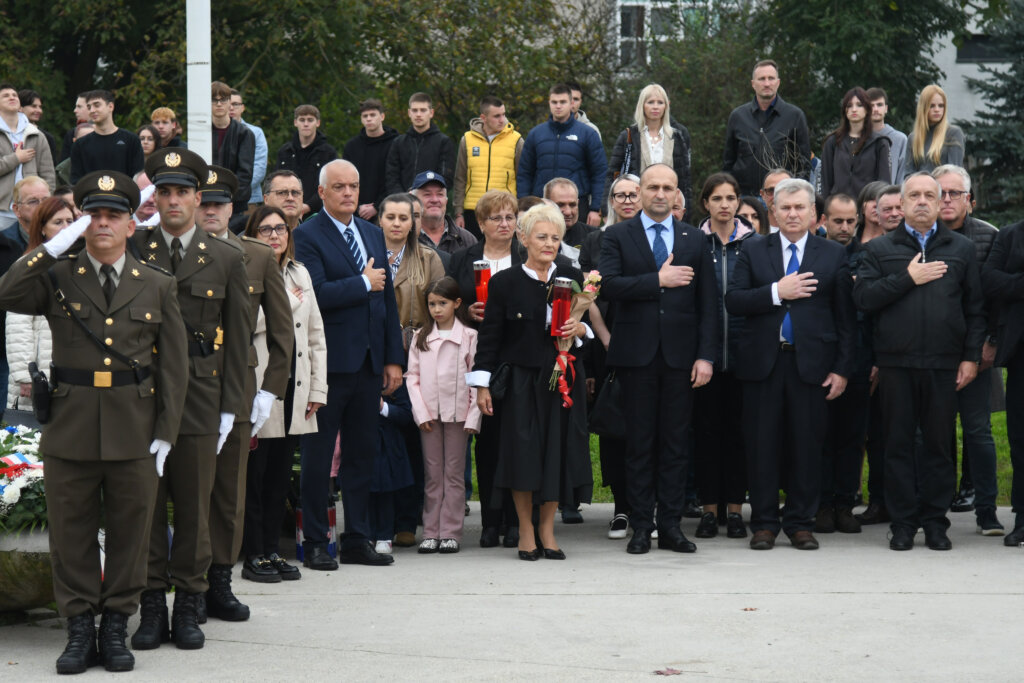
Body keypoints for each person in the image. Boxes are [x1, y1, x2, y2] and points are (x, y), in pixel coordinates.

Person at [0, 171, 187, 673]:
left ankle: (115, 625)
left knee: (131, 533)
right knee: (71, 534)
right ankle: (79, 626)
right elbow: (8, 292)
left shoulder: (157, 284)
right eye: (93, 215)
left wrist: (167, 431)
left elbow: (173, 367)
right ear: (82, 224)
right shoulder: (57, 276)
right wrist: (50, 247)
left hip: (135, 427)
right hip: (71, 425)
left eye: (113, 215)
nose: (103, 223)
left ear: (131, 224)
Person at [130, 148, 250, 651]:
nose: (174, 200)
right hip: (144, 393)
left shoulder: (225, 257)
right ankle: (152, 605)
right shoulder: (133, 248)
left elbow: (240, 340)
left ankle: (189, 605)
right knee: (147, 506)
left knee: (197, 506)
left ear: (199, 198)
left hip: (202, 392)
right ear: (154, 198)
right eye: (165, 191)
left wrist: (233, 407)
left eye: (182, 192)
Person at [853, 172, 985, 551]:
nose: (923, 201)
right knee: (896, 444)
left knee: (940, 446)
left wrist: (970, 358)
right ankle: (903, 524)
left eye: (931, 194)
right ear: (903, 203)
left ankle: (935, 522)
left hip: (945, 365)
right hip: (897, 364)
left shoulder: (959, 248)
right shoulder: (879, 250)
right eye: (915, 195)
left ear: (942, 200)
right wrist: (907, 278)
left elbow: (975, 310)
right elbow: (863, 299)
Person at [725, 178, 856, 551]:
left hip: (812, 366)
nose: (793, 214)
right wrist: (775, 292)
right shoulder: (753, 250)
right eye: (786, 208)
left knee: (807, 446)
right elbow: (734, 300)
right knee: (761, 445)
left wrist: (843, 369)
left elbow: (846, 320)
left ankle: (800, 522)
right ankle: (764, 524)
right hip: (762, 366)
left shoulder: (832, 255)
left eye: (801, 207)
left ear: (815, 214)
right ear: (773, 213)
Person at [599, 163, 718, 555]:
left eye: (668, 187)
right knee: (639, 443)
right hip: (636, 357)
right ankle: (640, 526)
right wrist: (657, 281)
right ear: (641, 191)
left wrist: (705, 356)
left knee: (675, 444)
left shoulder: (694, 240)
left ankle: (670, 526)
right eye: (653, 187)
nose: (660, 194)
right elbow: (611, 287)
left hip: (682, 359)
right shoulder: (617, 235)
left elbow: (708, 306)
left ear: (677, 194)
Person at [292, 159, 405, 569]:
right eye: (339, 187)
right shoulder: (306, 236)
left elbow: (387, 301)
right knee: (319, 457)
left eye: (354, 186)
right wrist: (361, 283)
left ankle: (357, 537)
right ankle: (318, 542)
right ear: (321, 192)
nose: (348, 193)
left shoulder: (373, 233)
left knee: (361, 454)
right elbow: (314, 293)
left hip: (370, 362)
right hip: (329, 365)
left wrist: (394, 358)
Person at [468, 203, 594, 560]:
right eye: (541, 236)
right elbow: (489, 338)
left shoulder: (571, 276)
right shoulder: (505, 282)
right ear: (523, 238)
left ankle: (548, 531)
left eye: (555, 237)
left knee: (555, 456)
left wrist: (580, 330)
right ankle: (525, 530)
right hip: (521, 384)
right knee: (522, 458)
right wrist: (481, 385)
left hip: (560, 383)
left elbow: (584, 336)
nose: (549, 243)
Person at [195, 166, 294, 618]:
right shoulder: (167, 253)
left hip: (238, 389)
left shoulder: (256, 255)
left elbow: (282, 333)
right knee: (186, 490)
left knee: (229, 494)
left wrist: (270, 393)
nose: (211, 209)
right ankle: (188, 586)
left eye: (219, 202)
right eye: (204, 201)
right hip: (187, 388)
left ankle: (219, 581)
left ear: (233, 208)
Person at [447, 189, 551, 547]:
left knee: (519, 442)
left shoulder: (526, 256)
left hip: (519, 360)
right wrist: (466, 311)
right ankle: (490, 520)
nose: (504, 224)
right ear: (481, 224)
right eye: (497, 218)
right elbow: (446, 298)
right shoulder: (462, 258)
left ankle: (515, 521)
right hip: (478, 354)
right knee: (489, 441)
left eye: (510, 218)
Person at [242, 205, 326, 582]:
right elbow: (243, 322)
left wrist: (318, 388)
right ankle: (252, 553)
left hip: (297, 385)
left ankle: (273, 551)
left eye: (281, 229)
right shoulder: (242, 270)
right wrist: (284, 298)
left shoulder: (300, 272)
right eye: (266, 230)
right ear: (251, 235)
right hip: (259, 384)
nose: (275, 236)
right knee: (254, 478)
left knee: (279, 476)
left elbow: (316, 335)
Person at [931, 165, 1002, 534]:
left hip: (978, 354)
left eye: (953, 193)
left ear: (969, 201)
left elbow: (997, 301)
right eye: (939, 192)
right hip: (931, 357)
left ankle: (986, 511)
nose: (945, 200)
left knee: (978, 432)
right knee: (930, 434)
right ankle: (931, 509)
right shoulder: (921, 239)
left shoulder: (991, 238)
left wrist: (988, 347)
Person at [693, 172, 755, 540]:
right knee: (706, 434)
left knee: (739, 435)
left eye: (731, 198)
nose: (724, 205)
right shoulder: (693, 243)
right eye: (717, 198)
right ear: (706, 203)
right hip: (706, 357)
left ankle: (734, 509)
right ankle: (708, 509)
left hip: (745, 356)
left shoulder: (754, 244)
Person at [578, 174, 640, 538]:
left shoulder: (655, 239)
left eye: (634, 194)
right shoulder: (596, 241)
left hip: (650, 345)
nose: (628, 200)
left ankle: (647, 503)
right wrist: (606, 341)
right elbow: (589, 296)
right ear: (611, 201)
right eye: (621, 195)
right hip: (608, 347)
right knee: (614, 429)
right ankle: (621, 508)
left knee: (647, 428)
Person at [407, 276, 482, 553]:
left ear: (457, 303)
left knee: (453, 473)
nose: (437, 309)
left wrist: (474, 417)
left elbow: (476, 379)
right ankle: (431, 531)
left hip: (458, 416)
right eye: (432, 304)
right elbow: (412, 377)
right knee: (432, 474)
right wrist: (420, 412)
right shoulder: (421, 337)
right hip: (429, 416)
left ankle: (450, 531)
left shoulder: (469, 337)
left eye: (443, 303)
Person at [817, 193, 868, 535]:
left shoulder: (868, 257)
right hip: (819, 359)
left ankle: (845, 503)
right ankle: (820, 504)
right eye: (838, 221)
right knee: (819, 436)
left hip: (860, 360)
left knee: (852, 436)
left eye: (851, 221)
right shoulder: (814, 254)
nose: (845, 228)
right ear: (823, 220)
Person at [5, 197, 72, 410]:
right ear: (42, 228)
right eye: (58, 222)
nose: (66, 228)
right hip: (37, 370)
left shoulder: (79, 264)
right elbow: (18, 327)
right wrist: (25, 375)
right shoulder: (28, 266)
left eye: (70, 221)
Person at [981, 214, 1024, 546]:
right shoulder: (1010, 235)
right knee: (1021, 440)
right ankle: (1022, 520)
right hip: (1020, 354)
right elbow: (990, 280)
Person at [518, 84, 607, 227]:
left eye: (563, 102)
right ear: (549, 103)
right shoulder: (536, 134)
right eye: (554, 102)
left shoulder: (588, 134)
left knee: (577, 247)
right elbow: (525, 173)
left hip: (576, 206)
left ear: (571, 103)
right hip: (541, 205)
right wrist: (523, 207)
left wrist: (596, 209)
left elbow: (599, 173)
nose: (558, 106)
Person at [603, 84, 693, 222]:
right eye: (650, 102)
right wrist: (605, 207)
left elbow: (685, 179)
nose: (655, 107)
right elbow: (613, 173)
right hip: (636, 204)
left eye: (660, 102)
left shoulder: (677, 137)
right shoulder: (628, 136)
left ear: (666, 107)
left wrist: (687, 210)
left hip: (668, 204)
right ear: (642, 105)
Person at [722, 60, 811, 196]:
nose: (767, 83)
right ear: (753, 84)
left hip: (782, 197)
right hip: (745, 199)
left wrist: (796, 195)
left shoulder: (795, 116)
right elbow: (728, 163)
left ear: (778, 82)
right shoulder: (738, 117)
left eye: (771, 78)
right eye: (762, 79)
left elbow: (804, 164)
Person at [378, 193, 445, 347]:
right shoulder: (365, 255)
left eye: (403, 218)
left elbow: (442, 308)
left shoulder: (429, 258)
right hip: (373, 346)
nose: (396, 223)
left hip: (416, 347)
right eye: (390, 217)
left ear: (411, 223)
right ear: (380, 220)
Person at [453, 96, 524, 239]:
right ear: (483, 118)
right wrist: (458, 212)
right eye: (497, 116)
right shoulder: (467, 139)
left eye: (504, 114)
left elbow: (522, 178)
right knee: (474, 255)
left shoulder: (516, 140)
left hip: (504, 211)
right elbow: (460, 178)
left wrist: (520, 211)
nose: (502, 120)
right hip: (473, 210)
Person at [819, 87, 891, 200]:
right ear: (845, 110)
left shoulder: (880, 143)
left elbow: (883, 185)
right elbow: (825, 183)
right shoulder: (832, 142)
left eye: (859, 105)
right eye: (849, 105)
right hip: (837, 208)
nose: (854, 109)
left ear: (867, 109)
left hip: (868, 209)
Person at [1, 84, 55, 227]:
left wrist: (47, 205)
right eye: (5, 96)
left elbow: (48, 174)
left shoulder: (37, 135)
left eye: (14, 95)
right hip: (2, 210)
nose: (12, 97)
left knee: (34, 249)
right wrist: (16, 159)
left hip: (33, 210)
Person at [385, 93, 456, 195]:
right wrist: (402, 196)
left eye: (423, 110)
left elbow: (446, 177)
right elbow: (391, 176)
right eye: (414, 110)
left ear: (431, 113)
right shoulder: (398, 143)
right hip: (403, 202)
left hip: (431, 201)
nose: (418, 114)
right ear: (409, 113)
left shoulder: (443, 142)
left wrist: (423, 193)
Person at [275, 104, 338, 217]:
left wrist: (308, 206)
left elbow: (331, 186)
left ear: (317, 123)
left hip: (318, 213)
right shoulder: (285, 152)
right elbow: (277, 183)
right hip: (287, 211)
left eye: (310, 120)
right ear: (295, 122)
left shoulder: (328, 153)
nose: (306, 124)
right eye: (302, 120)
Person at [69, 90, 144, 184]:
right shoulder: (80, 145)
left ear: (110, 106)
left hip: (124, 196)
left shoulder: (131, 140)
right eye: (89, 107)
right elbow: (76, 181)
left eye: (97, 105)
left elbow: (137, 177)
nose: (92, 110)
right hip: (92, 197)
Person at [343, 99, 399, 223]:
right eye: (365, 116)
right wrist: (357, 206)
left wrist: (377, 206)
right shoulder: (352, 147)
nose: (369, 119)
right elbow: (345, 179)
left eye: (373, 115)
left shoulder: (396, 143)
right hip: (356, 211)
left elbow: (395, 178)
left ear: (382, 116)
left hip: (388, 210)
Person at [901, 85, 966, 180]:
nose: (937, 110)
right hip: (919, 190)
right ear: (923, 108)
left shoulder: (953, 133)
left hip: (945, 191)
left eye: (941, 106)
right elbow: (908, 175)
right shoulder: (913, 138)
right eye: (932, 106)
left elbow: (955, 174)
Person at [210, 81, 255, 217]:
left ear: (230, 102)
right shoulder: (200, 133)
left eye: (223, 100)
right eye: (214, 100)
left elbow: (245, 173)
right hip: (204, 199)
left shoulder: (244, 133)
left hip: (234, 203)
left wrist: (225, 195)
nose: (219, 104)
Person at [411, 171, 476, 258]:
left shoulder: (466, 240)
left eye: (440, 194)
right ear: (413, 200)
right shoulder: (405, 237)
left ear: (446, 200)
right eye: (427, 194)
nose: (434, 200)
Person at [543, 177, 596, 268]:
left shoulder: (594, 237)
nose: (568, 212)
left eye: (572, 205)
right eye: (560, 205)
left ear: (578, 203)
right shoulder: (532, 236)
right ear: (546, 204)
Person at [229, 90, 268, 208]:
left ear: (243, 108)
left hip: (250, 199)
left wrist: (235, 191)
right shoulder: (212, 133)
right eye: (228, 104)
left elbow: (259, 168)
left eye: (235, 104)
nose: (231, 108)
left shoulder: (256, 133)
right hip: (217, 199)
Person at [866, 87, 907, 184]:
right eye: (871, 105)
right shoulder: (858, 139)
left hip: (892, 196)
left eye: (879, 105)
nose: (875, 109)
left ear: (886, 108)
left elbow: (902, 175)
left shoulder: (900, 139)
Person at [3, 176, 51, 250]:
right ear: (17, 209)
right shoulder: (4, 244)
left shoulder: (62, 236)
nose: (41, 206)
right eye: (33, 201)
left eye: (46, 200)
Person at [17, 89, 58, 162]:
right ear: (20, 108)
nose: (39, 111)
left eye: (40, 107)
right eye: (34, 106)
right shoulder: (8, 133)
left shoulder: (47, 137)